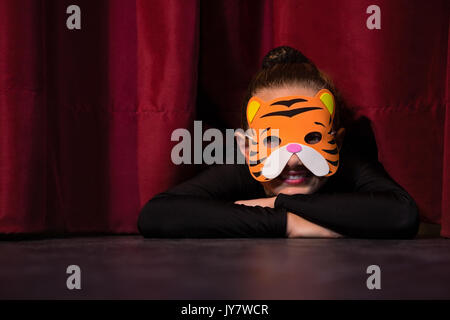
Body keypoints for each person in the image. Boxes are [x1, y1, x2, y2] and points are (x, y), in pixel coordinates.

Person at [137, 46, 420, 239]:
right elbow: (157, 214)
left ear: (338, 141)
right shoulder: (242, 169)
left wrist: (276, 201)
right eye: (272, 140)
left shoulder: (351, 161)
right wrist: (286, 223)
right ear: (247, 148)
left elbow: (401, 214)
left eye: (311, 138)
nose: (294, 159)